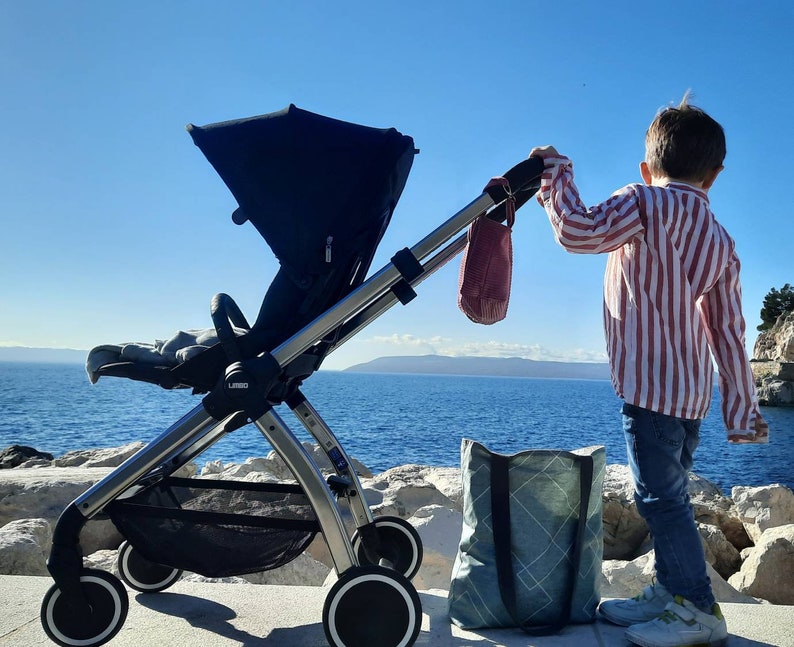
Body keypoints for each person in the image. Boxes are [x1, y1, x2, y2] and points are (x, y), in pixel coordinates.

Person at [530, 94, 769, 647]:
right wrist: (741, 410)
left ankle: (697, 609)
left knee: (661, 501)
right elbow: (728, 332)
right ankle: (668, 591)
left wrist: (554, 173)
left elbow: (577, 231)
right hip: (690, 399)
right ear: (715, 175)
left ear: (647, 166)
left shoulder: (641, 202)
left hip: (649, 390)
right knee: (665, 496)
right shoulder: (722, 240)